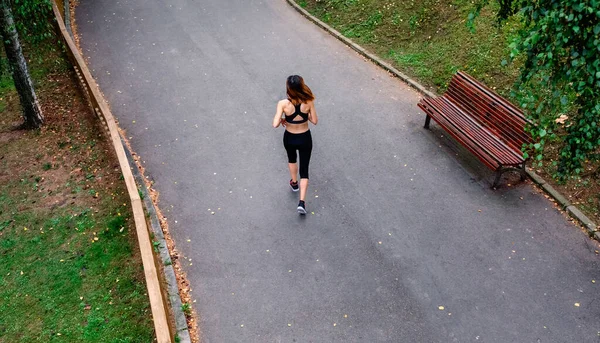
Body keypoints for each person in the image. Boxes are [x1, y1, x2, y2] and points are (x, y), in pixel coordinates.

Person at [272, 75, 318, 214]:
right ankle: (302, 203)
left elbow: (275, 124)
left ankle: (294, 182)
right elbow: (314, 121)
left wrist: (282, 120)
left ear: (289, 88)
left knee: (292, 159)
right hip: (305, 137)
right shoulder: (308, 101)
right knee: (304, 169)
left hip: (290, 137)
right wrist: (306, 114)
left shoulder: (282, 104)